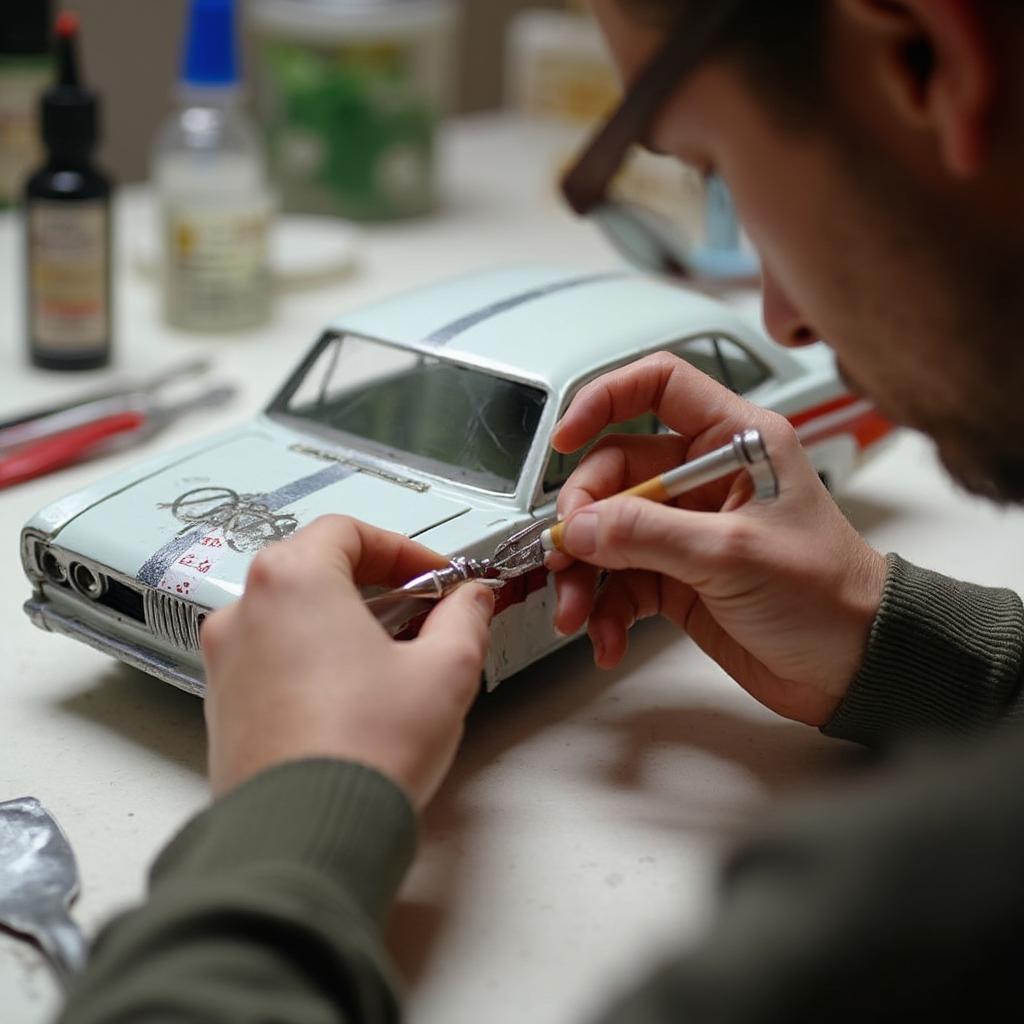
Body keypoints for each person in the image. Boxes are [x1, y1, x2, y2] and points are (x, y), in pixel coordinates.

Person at [59, 1, 1024, 1021]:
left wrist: (291, 820)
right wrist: (918, 639)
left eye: (714, 170)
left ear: (927, 61)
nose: (780, 314)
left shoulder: (889, 923)